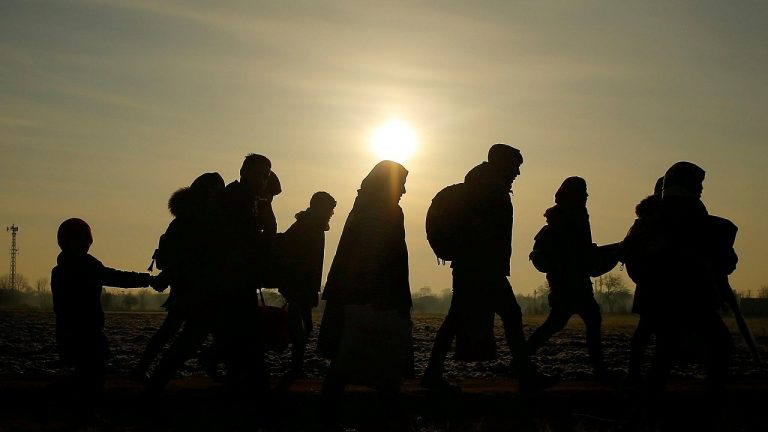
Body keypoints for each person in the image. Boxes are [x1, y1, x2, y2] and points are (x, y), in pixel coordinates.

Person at [421, 144, 545, 392]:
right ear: (503, 164)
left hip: (475, 267)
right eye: (515, 166)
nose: (517, 173)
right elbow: (486, 233)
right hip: (482, 268)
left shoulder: (482, 187)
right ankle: (525, 375)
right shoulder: (489, 191)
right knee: (508, 315)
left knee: (460, 318)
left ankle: (433, 372)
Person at [621, 162, 735, 402]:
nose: (701, 189)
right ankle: (710, 406)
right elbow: (718, 257)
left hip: (665, 297)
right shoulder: (689, 214)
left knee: (665, 351)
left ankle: (651, 406)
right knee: (720, 347)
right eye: (697, 184)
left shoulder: (654, 218)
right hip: (690, 297)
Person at [317, 160, 412, 397]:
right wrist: (379, 293)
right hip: (373, 295)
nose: (403, 190)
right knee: (377, 354)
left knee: (346, 356)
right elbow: (376, 254)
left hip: (357, 294)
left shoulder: (363, 208)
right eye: (401, 183)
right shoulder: (385, 212)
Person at [51, 218, 157, 414]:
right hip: (87, 333)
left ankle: (75, 408)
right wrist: (148, 280)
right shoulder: (87, 266)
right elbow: (116, 277)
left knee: (87, 374)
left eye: (86, 240)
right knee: (93, 376)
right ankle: (81, 410)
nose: (85, 244)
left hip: (69, 331)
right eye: (80, 240)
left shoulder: (59, 271)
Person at [137, 173, 226, 389]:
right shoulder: (199, 220)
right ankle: (151, 374)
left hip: (185, 284)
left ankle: (143, 369)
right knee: (187, 331)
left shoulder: (186, 219)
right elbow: (189, 254)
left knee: (170, 330)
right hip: (193, 284)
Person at [525, 177, 608, 380]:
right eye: (583, 191)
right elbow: (575, 251)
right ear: (574, 195)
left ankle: (520, 359)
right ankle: (600, 370)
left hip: (565, 281)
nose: (586, 195)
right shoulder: (574, 217)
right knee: (588, 320)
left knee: (558, 323)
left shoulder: (563, 216)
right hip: (572, 281)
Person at [217, 153, 274, 392]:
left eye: (265, 176)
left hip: (238, 277)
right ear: (243, 172)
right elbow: (247, 239)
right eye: (258, 174)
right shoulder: (237, 201)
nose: (262, 180)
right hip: (232, 279)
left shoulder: (244, 199)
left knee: (242, 339)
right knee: (246, 337)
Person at [278, 191, 337, 380]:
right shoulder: (308, 227)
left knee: (301, 326)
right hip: (300, 284)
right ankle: (296, 368)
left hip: (301, 284)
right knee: (302, 327)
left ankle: (296, 367)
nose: (332, 213)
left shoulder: (307, 225)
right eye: (330, 209)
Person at [622, 177, 664, 385]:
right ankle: (651, 380)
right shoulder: (657, 220)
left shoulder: (644, 220)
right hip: (658, 283)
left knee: (647, 330)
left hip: (648, 284)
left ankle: (637, 375)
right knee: (660, 334)